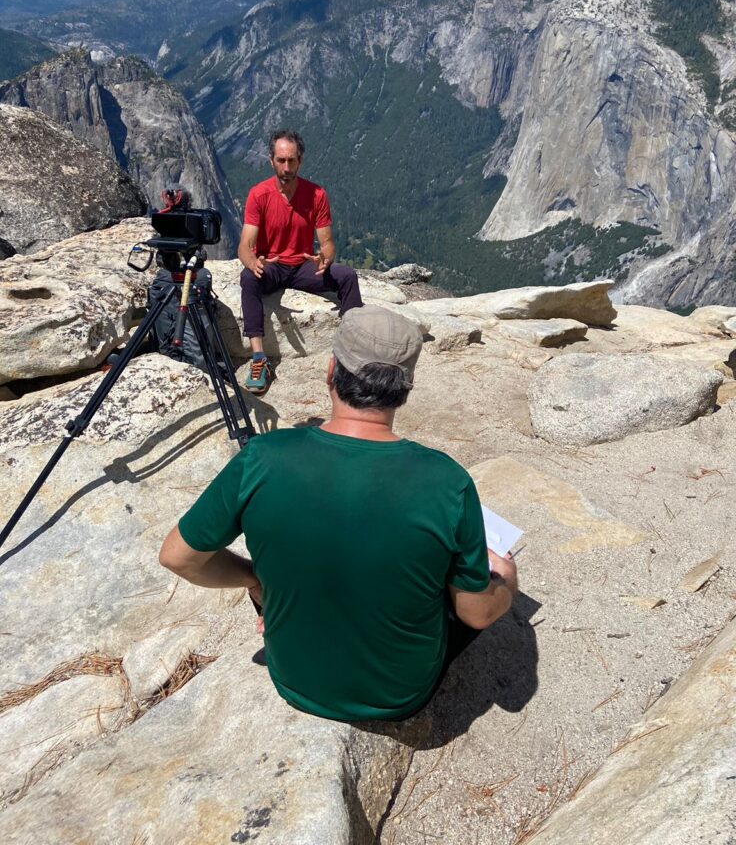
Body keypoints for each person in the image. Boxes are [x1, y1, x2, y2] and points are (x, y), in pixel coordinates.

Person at [159, 305, 519, 722]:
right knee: (452, 584)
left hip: (292, 680)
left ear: (330, 371)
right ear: (406, 387)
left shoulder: (260, 457)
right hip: (399, 697)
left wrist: (254, 579)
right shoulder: (447, 481)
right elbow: (478, 613)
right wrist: (505, 580)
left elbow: (177, 556)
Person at [237, 129, 363, 394]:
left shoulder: (316, 195)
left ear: (300, 161)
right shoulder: (259, 195)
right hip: (271, 265)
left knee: (347, 276)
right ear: (271, 161)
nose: (286, 167)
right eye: (281, 160)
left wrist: (326, 257)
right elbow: (245, 245)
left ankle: (353, 350)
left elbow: (327, 242)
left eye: (291, 160)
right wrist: (252, 262)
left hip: (303, 266)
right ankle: (259, 358)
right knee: (248, 278)